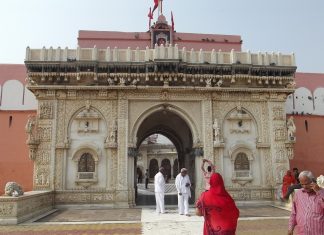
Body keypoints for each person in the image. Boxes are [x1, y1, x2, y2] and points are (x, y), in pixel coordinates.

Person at [288, 170, 324, 235]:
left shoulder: (322, 192)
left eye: (306, 184)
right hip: (302, 232)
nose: (304, 186)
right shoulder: (298, 194)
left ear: (313, 181)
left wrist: (319, 192)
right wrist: (290, 228)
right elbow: (294, 213)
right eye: (302, 184)